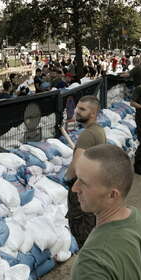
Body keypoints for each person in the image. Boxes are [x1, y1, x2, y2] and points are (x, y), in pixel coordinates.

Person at [70, 144, 141, 280]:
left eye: (83, 183)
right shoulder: (140, 220)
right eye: (77, 179)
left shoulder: (91, 264)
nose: (74, 188)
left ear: (112, 195)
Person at [61, 95, 106, 248]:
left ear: (92, 113)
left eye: (82, 109)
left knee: (82, 234)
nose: (77, 111)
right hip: (92, 189)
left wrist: (67, 178)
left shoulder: (87, 135)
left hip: (82, 192)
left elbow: (77, 164)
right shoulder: (99, 130)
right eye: (77, 107)